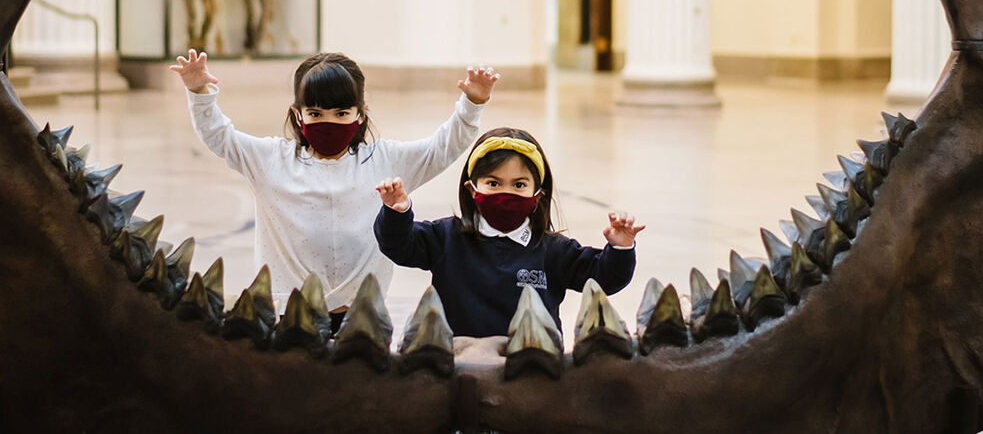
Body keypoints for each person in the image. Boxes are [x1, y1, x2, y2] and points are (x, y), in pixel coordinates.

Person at [172, 49, 498, 331]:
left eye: (342, 113)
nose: (328, 122)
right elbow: (221, 137)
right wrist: (200, 91)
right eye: (315, 114)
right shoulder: (270, 159)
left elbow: (442, 148)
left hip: (362, 316)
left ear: (361, 113)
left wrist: (472, 102)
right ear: (297, 115)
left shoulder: (386, 159)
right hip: (289, 313)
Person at [373, 127, 644, 338]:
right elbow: (399, 246)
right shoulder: (446, 237)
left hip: (531, 370)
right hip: (460, 367)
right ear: (472, 189)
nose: (506, 193)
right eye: (493, 183)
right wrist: (397, 213)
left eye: (519, 184)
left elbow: (604, 278)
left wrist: (621, 248)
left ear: (537, 195)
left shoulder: (554, 251)